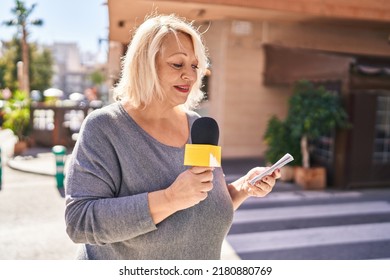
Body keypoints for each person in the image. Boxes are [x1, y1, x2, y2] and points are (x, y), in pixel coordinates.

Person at [64, 14, 281, 260]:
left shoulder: (198, 126)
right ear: (144, 66)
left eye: (195, 65)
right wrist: (169, 198)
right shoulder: (104, 127)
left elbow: (201, 208)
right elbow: (79, 222)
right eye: (177, 65)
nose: (190, 75)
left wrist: (243, 188)